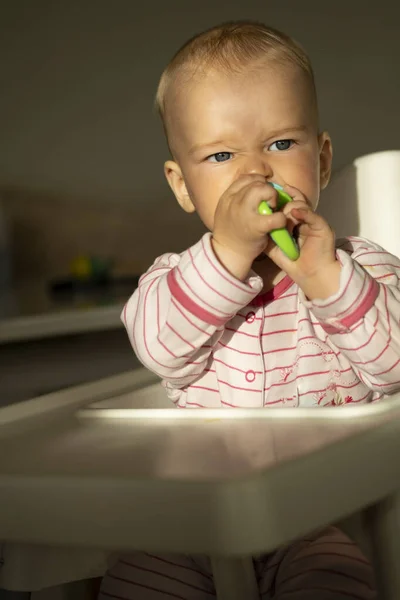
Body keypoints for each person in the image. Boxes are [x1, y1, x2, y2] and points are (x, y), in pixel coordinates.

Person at [99, 20, 400, 599]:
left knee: (338, 580)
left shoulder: (362, 267)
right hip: (192, 521)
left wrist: (323, 277)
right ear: (183, 185)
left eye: (282, 144)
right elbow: (159, 349)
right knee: (137, 578)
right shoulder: (175, 278)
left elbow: (393, 366)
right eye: (220, 154)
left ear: (323, 159)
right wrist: (229, 251)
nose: (255, 171)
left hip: (325, 518)